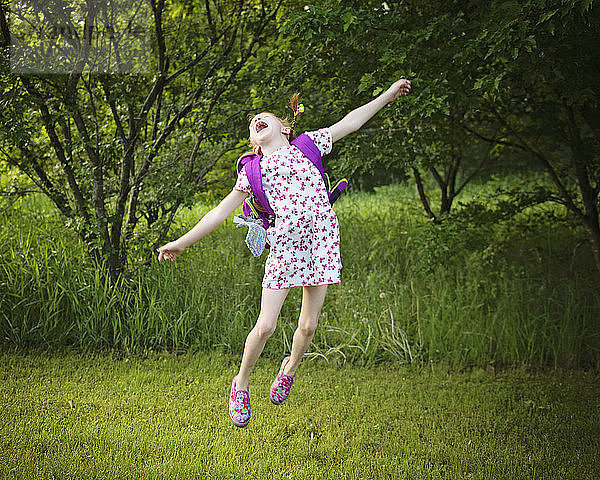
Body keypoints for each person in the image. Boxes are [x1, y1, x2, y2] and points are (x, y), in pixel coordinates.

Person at [157, 78, 412, 427]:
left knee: (307, 327)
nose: (256, 121)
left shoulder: (309, 145)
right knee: (265, 327)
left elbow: (352, 121)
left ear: (284, 126)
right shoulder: (253, 171)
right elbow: (219, 212)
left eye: (263, 117)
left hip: (320, 242)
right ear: (254, 141)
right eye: (252, 124)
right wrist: (182, 242)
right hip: (286, 248)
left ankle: (290, 366)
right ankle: (241, 383)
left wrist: (387, 94)